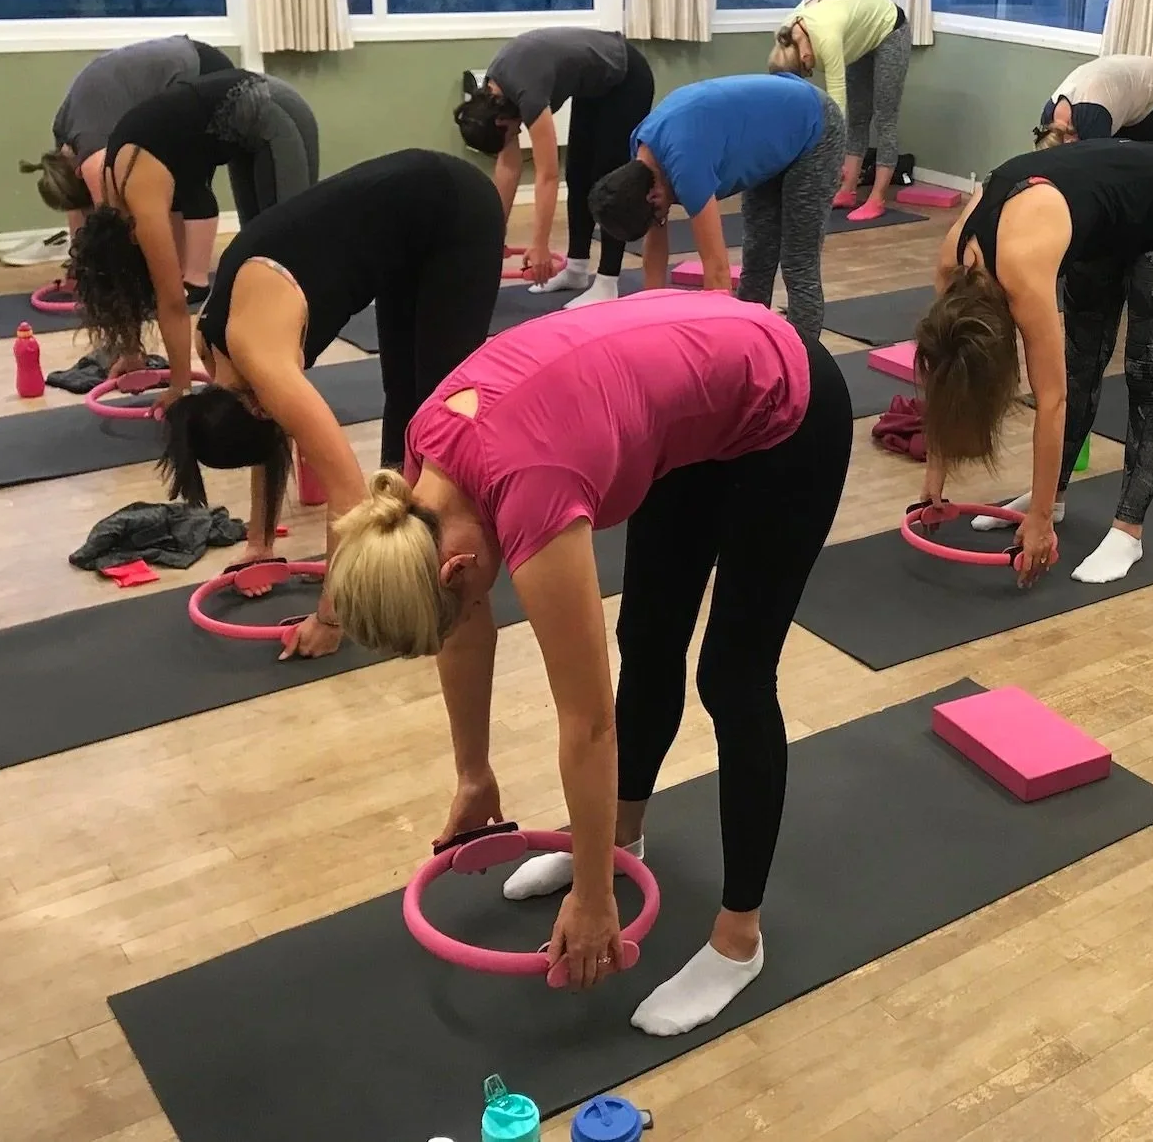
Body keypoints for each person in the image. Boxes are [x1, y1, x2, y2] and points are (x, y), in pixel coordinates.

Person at [320, 293, 852, 1035]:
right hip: (687, 410)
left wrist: (599, 898)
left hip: (783, 405)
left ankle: (738, 942)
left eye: (458, 601)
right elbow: (464, 628)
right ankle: (621, 835)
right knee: (649, 639)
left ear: (456, 570)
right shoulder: (421, 485)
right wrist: (473, 773)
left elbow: (587, 721)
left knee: (731, 677)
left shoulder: (531, 490)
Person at [160, 149, 504, 660]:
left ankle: (440, 569)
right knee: (405, 403)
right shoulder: (214, 353)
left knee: (439, 420)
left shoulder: (260, 360)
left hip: (455, 211)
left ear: (258, 410)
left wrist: (329, 617)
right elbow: (274, 433)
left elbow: (347, 498)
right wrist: (260, 545)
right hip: (407, 223)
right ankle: (401, 553)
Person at [915, 138, 1153, 587]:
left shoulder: (1022, 276)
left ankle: (1129, 532)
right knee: (1079, 361)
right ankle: (1055, 494)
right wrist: (934, 478)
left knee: (1147, 370)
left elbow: (1051, 400)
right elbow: (940, 373)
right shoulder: (951, 266)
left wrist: (1040, 524)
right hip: (1097, 223)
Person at [71, 69, 321, 387]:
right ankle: (263, 371)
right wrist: (131, 352)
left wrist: (180, 386)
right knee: (255, 253)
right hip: (239, 133)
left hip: (274, 108)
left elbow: (172, 300)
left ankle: (288, 381)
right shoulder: (115, 201)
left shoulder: (137, 191)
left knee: (287, 255)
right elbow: (125, 283)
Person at [589, 74, 845, 337]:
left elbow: (717, 272)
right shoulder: (642, 161)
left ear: (652, 198)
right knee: (757, 258)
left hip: (814, 125)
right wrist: (652, 324)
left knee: (797, 264)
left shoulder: (686, 166)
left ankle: (805, 364)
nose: (660, 221)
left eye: (656, 217)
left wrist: (717, 348)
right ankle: (750, 350)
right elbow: (654, 255)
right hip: (768, 136)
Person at [454, 28, 656, 308]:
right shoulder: (493, 94)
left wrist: (539, 245)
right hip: (593, 86)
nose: (517, 135)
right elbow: (508, 166)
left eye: (510, 134)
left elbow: (547, 175)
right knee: (578, 174)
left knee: (610, 182)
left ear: (501, 123)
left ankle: (607, 283)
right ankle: (576, 271)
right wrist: (495, 236)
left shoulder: (527, 92)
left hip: (626, 77)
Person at [21, 36, 239, 291]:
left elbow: (115, 224)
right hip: (175, 73)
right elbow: (79, 212)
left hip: (201, 70)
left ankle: (196, 280)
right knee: (168, 177)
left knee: (187, 175)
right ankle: (175, 273)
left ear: (79, 173)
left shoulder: (91, 158)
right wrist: (78, 266)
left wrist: (111, 279)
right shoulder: (67, 143)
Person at [769, 0, 910, 223]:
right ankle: (847, 191)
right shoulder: (785, 36)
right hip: (858, 35)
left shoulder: (827, 37)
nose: (812, 70)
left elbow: (836, 106)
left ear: (804, 57)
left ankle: (877, 198)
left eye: (808, 70)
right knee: (858, 118)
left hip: (888, 29)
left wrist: (832, 159)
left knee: (884, 117)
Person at [1035, 55, 1153, 148]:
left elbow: (1098, 172)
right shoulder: (1048, 119)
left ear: (1069, 141)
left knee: (1139, 167)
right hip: (1113, 86)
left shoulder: (1093, 118)